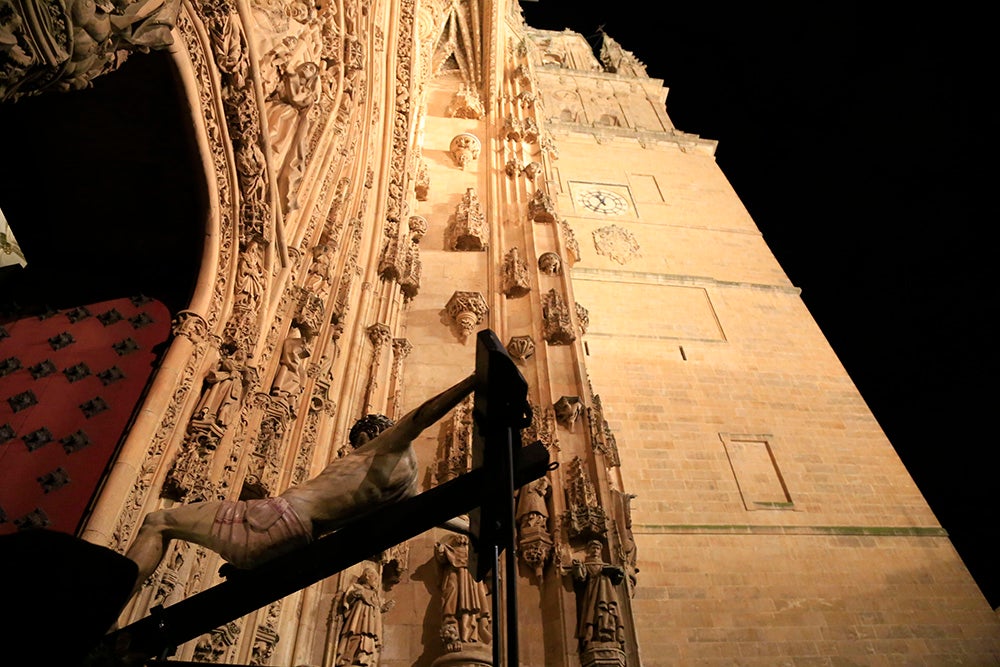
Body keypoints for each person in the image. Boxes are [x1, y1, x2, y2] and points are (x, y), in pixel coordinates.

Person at [125, 374, 477, 595]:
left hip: (272, 520)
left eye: (360, 441)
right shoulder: (407, 486)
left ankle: (106, 614)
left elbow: (423, 413)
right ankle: (249, 571)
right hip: (294, 545)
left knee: (159, 522)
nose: (357, 450)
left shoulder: (385, 445)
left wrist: (474, 381)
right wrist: (473, 530)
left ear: (372, 434)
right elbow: (431, 513)